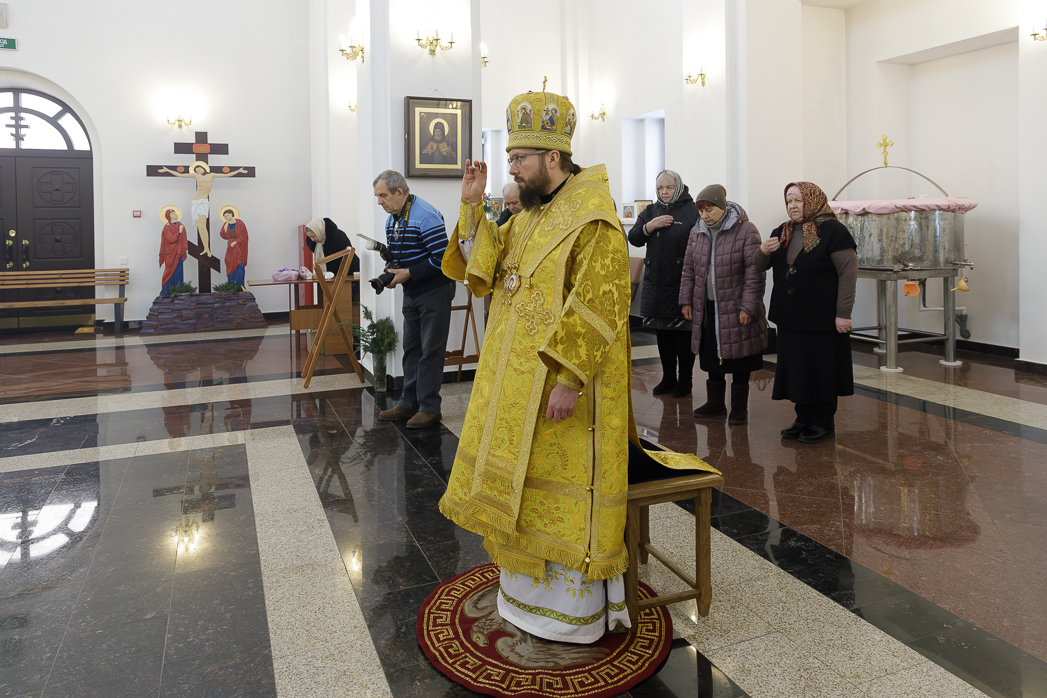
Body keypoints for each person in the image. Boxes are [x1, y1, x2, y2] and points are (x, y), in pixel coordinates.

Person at [439, 90, 716, 644]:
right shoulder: (531, 215)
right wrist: (471, 207)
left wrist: (569, 378)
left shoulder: (593, 218)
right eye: (510, 159)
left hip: (566, 391)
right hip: (517, 383)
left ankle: (573, 613)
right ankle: (521, 595)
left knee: (559, 495)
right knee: (522, 494)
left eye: (519, 159)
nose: (511, 169)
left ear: (553, 158)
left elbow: (601, 302)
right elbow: (486, 269)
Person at [754, 182, 857, 444]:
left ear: (812, 201)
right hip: (789, 316)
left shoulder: (833, 231)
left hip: (821, 316)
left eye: (798, 200)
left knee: (821, 369)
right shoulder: (783, 231)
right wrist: (763, 251)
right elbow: (760, 264)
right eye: (789, 201)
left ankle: (823, 422)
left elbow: (848, 274)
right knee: (798, 369)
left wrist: (843, 313)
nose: (792, 206)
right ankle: (803, 419)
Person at [679, 184, 767, 425]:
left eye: (709, 210)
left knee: (740, 357)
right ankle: (716, 403)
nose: (705, 215)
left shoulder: (746, 230)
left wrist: (748, 307)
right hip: (707, 307)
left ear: (723, 207)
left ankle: (739, 408)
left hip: (736, 306)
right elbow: (688, 269)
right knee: (711, 355)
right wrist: (686, 300)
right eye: (701, 211)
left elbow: (755, 273)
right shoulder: (697, 231)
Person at [373, 170, 454, 430]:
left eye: (383, 196)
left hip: (435, 290)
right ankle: (408, 403)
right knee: (411, 350)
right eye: (377, 196)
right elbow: (401, 257)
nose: (379, 202)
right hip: (412, 291)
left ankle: (429, 408)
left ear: (399, 192)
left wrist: (409, 273)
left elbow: (443, 259)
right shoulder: (391, 220)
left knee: (430, 352)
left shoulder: (425, 215)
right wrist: (392, 270)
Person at [628, 170, 698, 397]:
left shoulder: (692, 210)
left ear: (678, 187)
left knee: (683, 335)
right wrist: (650, 226)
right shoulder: (651, 211)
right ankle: (668, 378)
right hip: (656, 283)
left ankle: (685, 381)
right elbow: (634, 238)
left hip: (681, 281)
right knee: (663, 334)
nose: (664, 192)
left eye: (669, 187)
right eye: (660, 188)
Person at [157, 161, 247, 257]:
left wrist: (239, 171)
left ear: (203, 168)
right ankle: (205, 248)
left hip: (203, 202)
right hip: (195, 202)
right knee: (199, 226)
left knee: (203, 227)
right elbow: (180, 175)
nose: (199, 171)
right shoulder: (195, 175)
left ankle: (207, 248)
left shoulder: (211, 175)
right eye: (197, 170)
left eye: (200, 169)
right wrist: (167, 170)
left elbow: (227, 175)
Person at [159, 205, 188, 294]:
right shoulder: (167, 227)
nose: (175, 215)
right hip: (170, 253)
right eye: (172, 214)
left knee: (179, 271)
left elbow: (183, 239)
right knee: (168, 270)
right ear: (169, 217)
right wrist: (179, 232)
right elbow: (170, 239)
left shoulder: (181, 225)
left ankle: (179, 290)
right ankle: (166, 290)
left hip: (179, 252)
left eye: (175, 213)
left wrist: (181, 232)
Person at [218, 206, 249, 289]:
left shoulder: (240, 223)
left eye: (227, 215)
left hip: (238, 247)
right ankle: (232, 287)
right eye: (225, 216)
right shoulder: (226, 224)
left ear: (232, 214)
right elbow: (223, 235)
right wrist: (226, 224)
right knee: (230, 265)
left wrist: (236, 242)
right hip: (230, 248)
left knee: (240, 265)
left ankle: (241, 286)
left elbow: (244, 235)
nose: (226, 217)